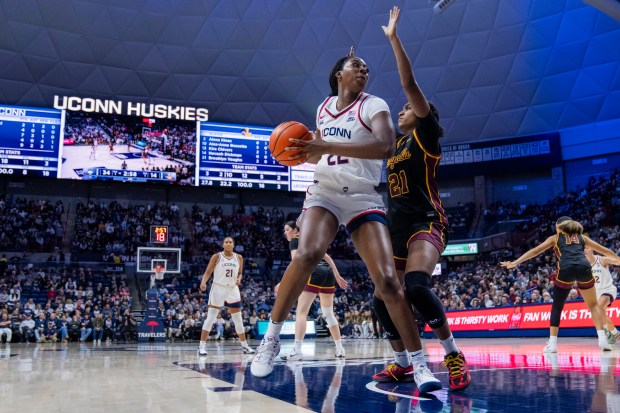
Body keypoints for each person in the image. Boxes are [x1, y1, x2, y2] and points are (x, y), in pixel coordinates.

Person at [250, 46, 439, 393]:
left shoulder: (374, 105)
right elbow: (322, 151)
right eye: (356, 65)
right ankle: (271, 341)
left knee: (387, 281)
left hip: (363, 195)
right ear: (340, 74)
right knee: (306, 254)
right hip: (325, 192)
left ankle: (419, 363)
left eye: (366, 67)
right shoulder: (323, 108)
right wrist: (303, 152)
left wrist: (326, 149)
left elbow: (384, 147)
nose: (363, 70)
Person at [369, 6, 470, 392]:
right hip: (394, 228)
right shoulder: (393, 145)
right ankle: (402, 364)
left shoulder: (425, 135)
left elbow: (410, 84)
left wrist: (394, 39)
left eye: (407, 108)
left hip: (426, 222)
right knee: (381, 298)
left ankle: (452, 355)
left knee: (415, 284)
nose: (402, 108)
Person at [500, 217, 620, 352]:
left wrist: (516, 262)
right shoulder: (582, 237)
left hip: (566, 269)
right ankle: (603, 339)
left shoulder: (555, 238)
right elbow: (605, 250)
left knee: (557, 306)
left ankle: (552, 344)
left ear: (560, 227)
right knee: (593, 305)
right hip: (584, 268)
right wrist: (617, 258)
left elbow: (535, 251)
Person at [276, 221, 348, 360]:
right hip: (328, 272)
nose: (285, 233)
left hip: (314, 272)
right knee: (328, 313)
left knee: (301, 312)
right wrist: (336, 274)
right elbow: (327, 257)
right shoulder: (310, 239)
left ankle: (297, 351)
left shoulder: (294, 242)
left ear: (296, 231)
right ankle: (340, 349)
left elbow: (296, 263)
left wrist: (282, 282)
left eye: (287, 230)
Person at [198, 236, 254, 355]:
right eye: (226, 242)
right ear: (223, 245)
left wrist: (239, 279)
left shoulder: (239, 257)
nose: (228, 244)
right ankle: (201, 346)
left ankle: (244, 346)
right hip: (218, 287)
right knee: (211, 318)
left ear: (233, 245)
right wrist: (203, 282)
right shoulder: (217, 256)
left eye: (230, 242)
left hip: (232, 289)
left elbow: (240, 273)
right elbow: (208, 272)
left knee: (238, 319)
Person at [585, 246, 620, 344]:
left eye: (587, 248)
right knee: (602, 315)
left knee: (599, 308)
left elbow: (618, 261)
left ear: (592, 249)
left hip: (608, 289)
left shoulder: (601, 260)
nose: (585, 250)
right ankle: (615, 333)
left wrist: (614, 257)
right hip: (596, 293)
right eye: (583, 248)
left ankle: (606, 333)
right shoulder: (584, 265)